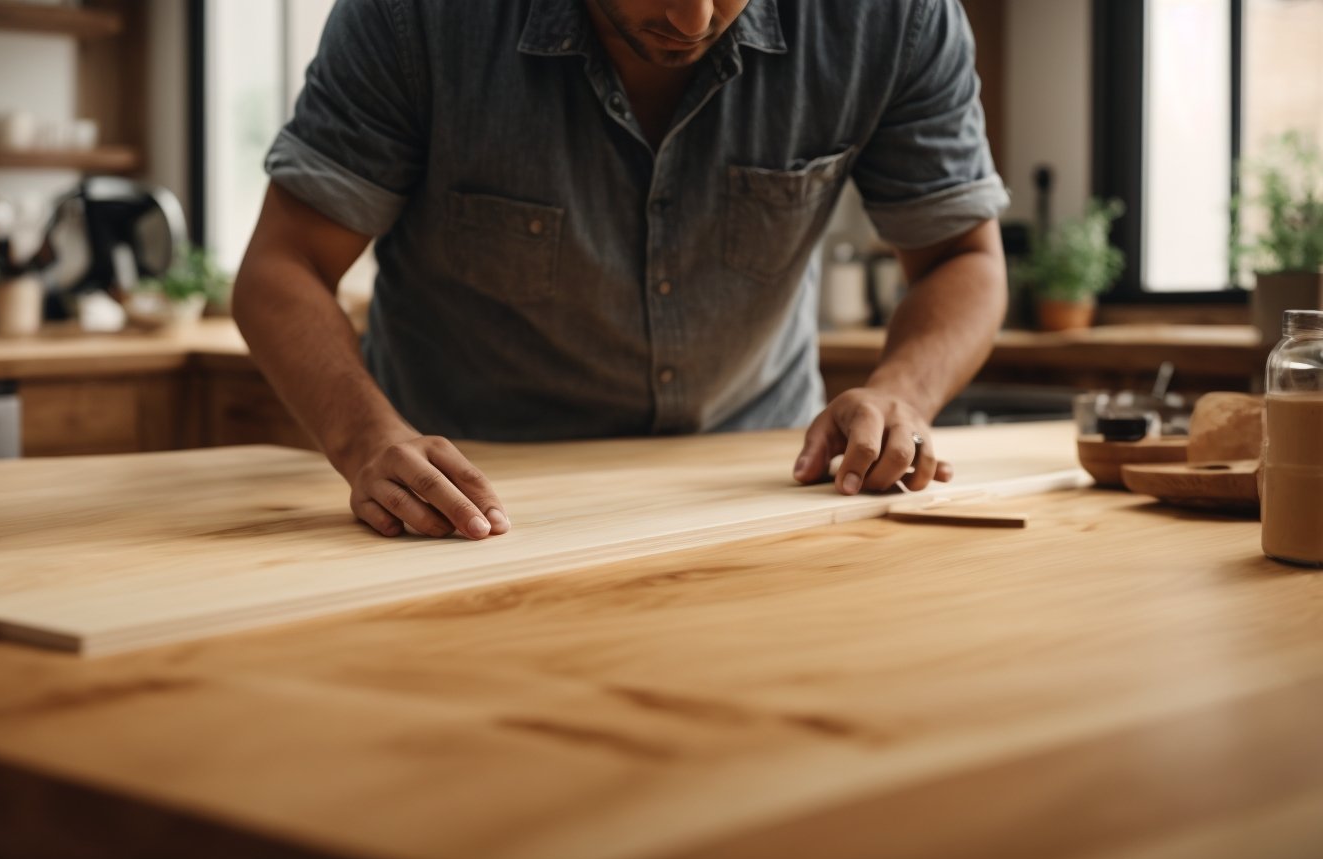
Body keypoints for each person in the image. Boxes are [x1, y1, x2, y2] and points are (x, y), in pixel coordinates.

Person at [233, 0, 1010, 541]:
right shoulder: (414, 18)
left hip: (767, 494)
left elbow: (963, 259)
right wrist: (368, 440)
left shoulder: (895, 17)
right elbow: (283, 266)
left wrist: (901, 395)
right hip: (469, 510)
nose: (695, 19)